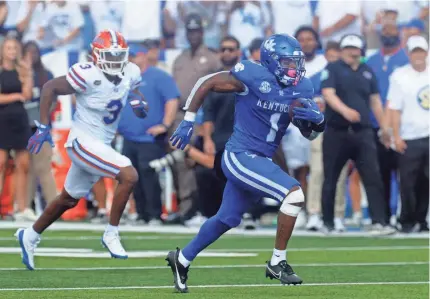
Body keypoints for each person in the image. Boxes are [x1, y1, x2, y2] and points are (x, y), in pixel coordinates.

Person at [167, 34, 325, 292]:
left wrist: (318, 122)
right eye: (287, 62)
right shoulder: (251, 75)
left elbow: (309, 133)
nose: (293, 68)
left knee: (227, 218)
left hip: (261, 158)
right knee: (293, 195)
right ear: (271, 62)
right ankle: (277, 262)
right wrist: (188, 120)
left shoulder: (302, 88)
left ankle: (182, 259)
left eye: (296, 63)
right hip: (240, 155)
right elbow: (206, 81)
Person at [15, 30, 147, 271]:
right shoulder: (87, 74)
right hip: (82, 141)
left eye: (120, 55)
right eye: (111, 55)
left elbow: (133, 88)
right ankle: (111, 233)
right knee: (129, 175)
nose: (116, 61)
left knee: (68, 199)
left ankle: (30, 235)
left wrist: (138, 101)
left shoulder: (131, 71)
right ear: (96, 54)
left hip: (101, 145)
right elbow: (49, 88)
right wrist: (44, 126)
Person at [320, 34, 395, 235]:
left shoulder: (367, 71)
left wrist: (384, 129)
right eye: (348, 48)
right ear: (343, 50)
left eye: (355, 48)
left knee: (373, 176)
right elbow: (328, 94)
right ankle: (328, 221)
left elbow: (376, 102)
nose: (352, 52)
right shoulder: (332, 69)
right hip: (337, 131)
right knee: (331, 178)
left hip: (363, 132)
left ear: (361, 50)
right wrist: (345, 111)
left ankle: (379, 221)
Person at [118, 44, 180, 225]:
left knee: (148, 175)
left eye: (135, 56)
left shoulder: (159, 77)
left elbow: (172, 100)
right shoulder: (124, 78)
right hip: (129, 138)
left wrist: (165, 124)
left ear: (144, 56)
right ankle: (141, 213)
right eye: (129, 57)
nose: (131, 60)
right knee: (131, 177)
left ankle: (154, 214)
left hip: (149, 138)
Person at [366, 19, 409, 225]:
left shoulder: (408, 60)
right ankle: (382, 218)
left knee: (408, 176)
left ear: (399, 32)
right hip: (376, 127)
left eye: (392, 28)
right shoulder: (371, 60)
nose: (388, 32)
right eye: (384, 29)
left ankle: (407, 217)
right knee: (380, 175)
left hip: (403, 128)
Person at [388, 35, 429, 233]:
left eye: (421, 51)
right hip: (409, 136)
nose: (418, 55)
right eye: (415, 52)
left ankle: (422, 220)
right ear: (408, 53)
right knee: (407, 182)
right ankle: (406, 220)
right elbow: (394, 108)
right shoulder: (399, 76)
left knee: (426, 181)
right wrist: (396, 136)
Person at [0, 36, 34, 221]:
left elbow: (27, 95)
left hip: (20, 120)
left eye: (14, 48)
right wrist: (15, 95)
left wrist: (27, 75)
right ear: (3, 50)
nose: (12, 51)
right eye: (8, 48)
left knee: (24, 165)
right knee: (1, 163)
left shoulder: (23, 70)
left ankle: (22, 208)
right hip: (2, 120)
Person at [23, 41, 58, 210]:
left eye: (34, 52)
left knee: (43, 168)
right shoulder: (19, 74)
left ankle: (53, 206)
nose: (32, 56)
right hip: (21, 126)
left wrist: (43, 120)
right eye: (28, 53)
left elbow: (53, 101)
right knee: (26, 169)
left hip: (40, 127)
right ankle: (25, 207)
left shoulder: (46, 75)